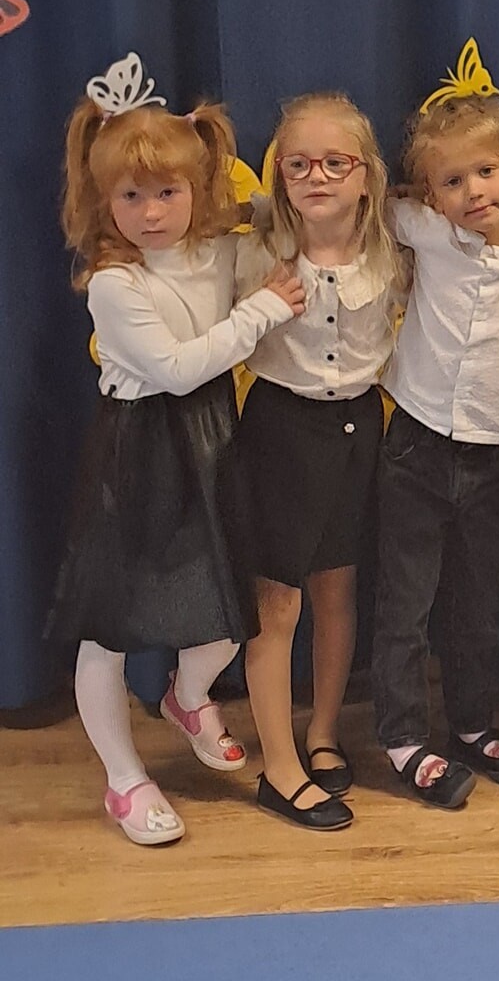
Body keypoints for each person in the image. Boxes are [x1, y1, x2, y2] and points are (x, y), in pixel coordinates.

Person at [47, 89, 303, 846]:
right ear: (103, 200)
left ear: (198, 188)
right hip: (139, 448)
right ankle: (124, 777)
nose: (151, 212)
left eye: (168, 192)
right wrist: (262, 310)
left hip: (212, 440)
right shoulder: (113, 283)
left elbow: (282, 222)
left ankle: (188, 697)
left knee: (229, 602)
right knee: (110, 628)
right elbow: (177, 370)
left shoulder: (217, 247)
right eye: (130, 196)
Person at [235, 93, 404, 830]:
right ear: (279, 173)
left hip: (357, 428)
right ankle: (278, 768)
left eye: (337, 162)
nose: (318, 177)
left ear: (366, 175)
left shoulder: (395, 246)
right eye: (299, 164)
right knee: (277, 603)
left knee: (338, 587)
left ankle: (324, 731)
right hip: (279, 430)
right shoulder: (253, 250)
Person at [372, 93, 499, 808]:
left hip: (497, 455)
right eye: (452, 181)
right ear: (430, 194)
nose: (473, 192)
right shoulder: (426, 229)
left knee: (478, 605)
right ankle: (403, 737)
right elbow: (362, 203)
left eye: (485, 172)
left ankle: (472, 724)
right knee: (405, 605)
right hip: (416, 443)